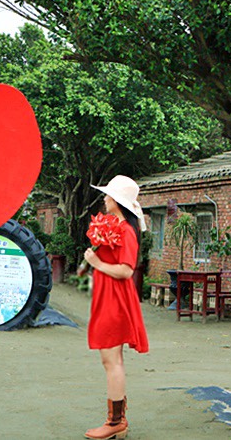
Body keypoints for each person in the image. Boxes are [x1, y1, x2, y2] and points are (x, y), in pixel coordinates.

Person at [81, 175, 149, 439]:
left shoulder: (125, 231)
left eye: (109, 195)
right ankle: (117, 420)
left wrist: (95, 262)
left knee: (111, 360)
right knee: (111, 360)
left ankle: (115, 422)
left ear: (118, 202)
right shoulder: (117, 227)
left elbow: (125, 270)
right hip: (108, 296)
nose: (105, 199)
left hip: (116, 299)